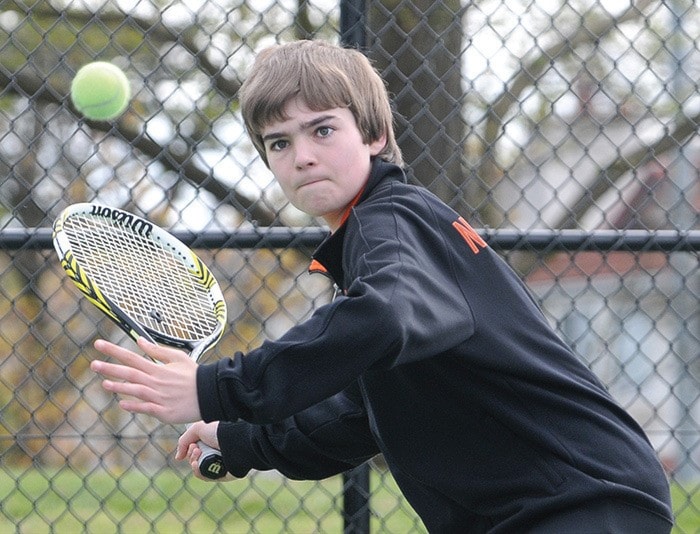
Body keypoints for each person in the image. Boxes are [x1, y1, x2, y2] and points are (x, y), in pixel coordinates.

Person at [90, 40, 673, 532]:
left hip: (580, 504)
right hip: (568, 501)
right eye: (279, 142)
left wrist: (214, 386)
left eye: (322, 130)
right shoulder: (388, 243)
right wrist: (240, 438)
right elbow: (358, 415)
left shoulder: (391, 221)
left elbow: (380, 318)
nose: (303, 157)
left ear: (372, 135)